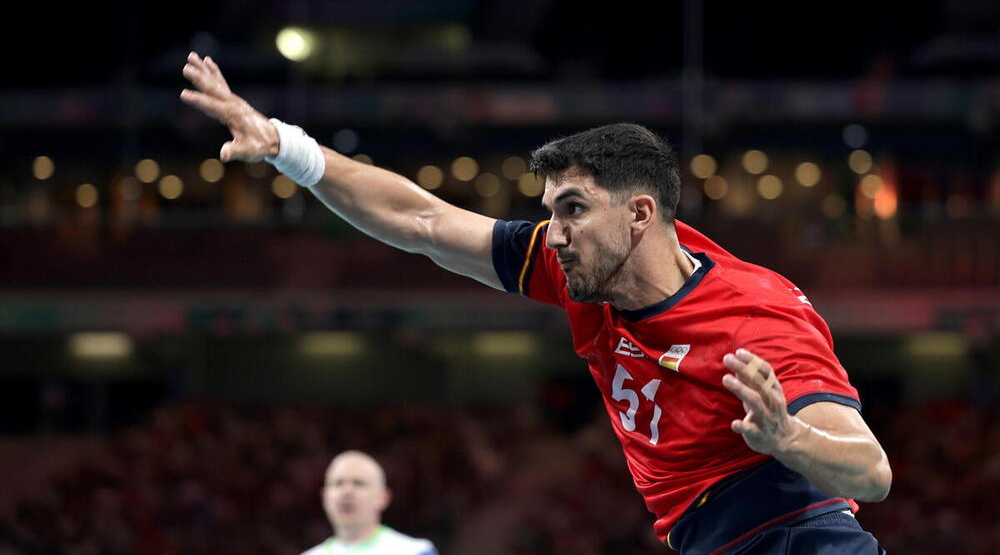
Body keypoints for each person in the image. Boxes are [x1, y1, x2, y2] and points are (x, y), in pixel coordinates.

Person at [181, 53, 892, 554]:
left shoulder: (757, 313)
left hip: (803, 540)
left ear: (639, 214)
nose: (553, 232)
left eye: (574, 208)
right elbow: (422, 220)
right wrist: (286, 147)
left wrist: (788, 439)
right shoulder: (569, 264)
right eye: (549, 210)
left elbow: (872, 472)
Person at [302, 450, 438, 555]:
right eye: (338, 483)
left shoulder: (415, 551)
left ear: (383, 497)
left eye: (359, 483)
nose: (347, 491)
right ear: (325, 496)